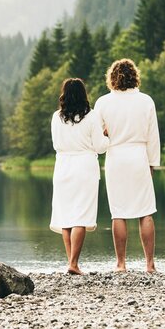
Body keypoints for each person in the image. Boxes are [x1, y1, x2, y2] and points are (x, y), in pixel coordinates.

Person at [94, 59, 160, 273]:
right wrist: (152, 163)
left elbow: (98, 140)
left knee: (118, 212)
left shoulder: (103, 103)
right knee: (146, 211)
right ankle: (150, 264)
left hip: (116, 157)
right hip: (139, 155)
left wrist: (106, 137)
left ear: (112, 78)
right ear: (135, 76)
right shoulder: (146, 101)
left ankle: (121, 264)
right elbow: (153, 136)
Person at [50, 78, 109, 275]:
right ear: (83, 94)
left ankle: (72, 262)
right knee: (81, 216)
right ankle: (73, 264)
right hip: (84, 167)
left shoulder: (56, 117)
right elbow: (100, 147)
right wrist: (106, 136)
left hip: (63, 166)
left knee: (66, 216)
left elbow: (55, 144)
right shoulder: (91, 117)